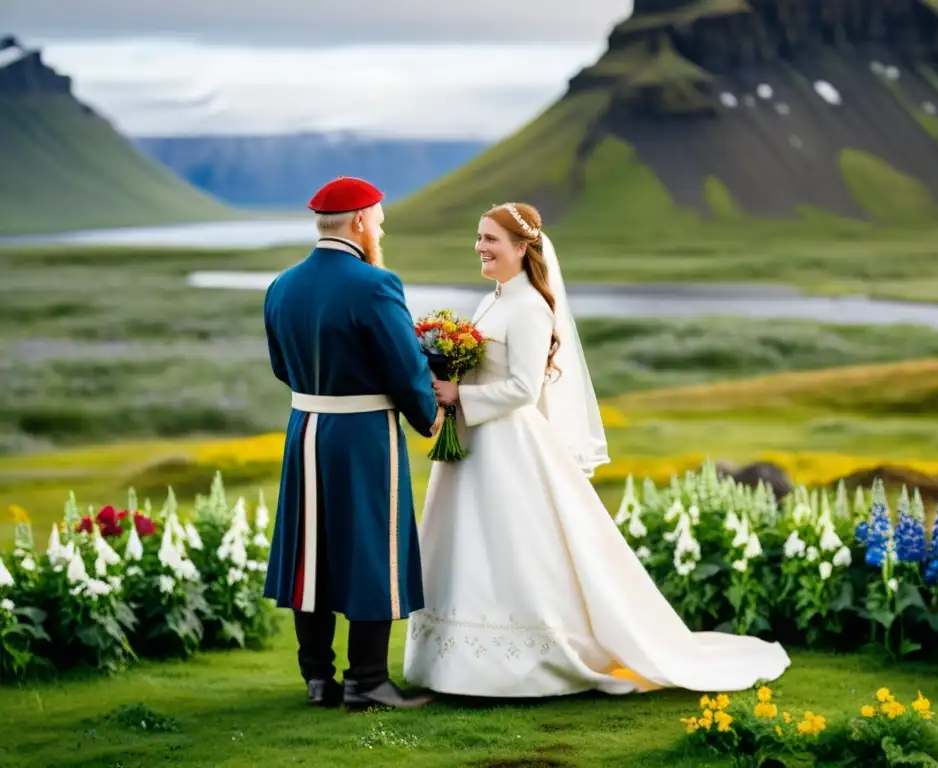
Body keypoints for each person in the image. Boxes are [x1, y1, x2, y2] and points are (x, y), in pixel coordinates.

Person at [403, 202, 791, 697]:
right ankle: (452, 662)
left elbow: (523, 388)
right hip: (475, 445)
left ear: (522, 248)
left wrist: (462, 396)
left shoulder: (530, 307)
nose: (480, 248)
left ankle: (524, 664)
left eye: (491, 240)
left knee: (513, 546)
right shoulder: (492, 301)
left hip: (509, 446)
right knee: (467, 545)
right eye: (478, 238)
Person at [263, 176, 443, 709]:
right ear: (361, 222)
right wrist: (429, 417)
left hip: (304, 429)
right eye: (380, 220)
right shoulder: (375, 284)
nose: (379, 228)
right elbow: (405, 368)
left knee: (309, 552)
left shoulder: (281, 285)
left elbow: (281, 367)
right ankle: (367, 681)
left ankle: (318, 679)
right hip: (364, 433)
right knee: (374, 547)